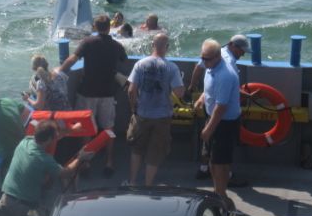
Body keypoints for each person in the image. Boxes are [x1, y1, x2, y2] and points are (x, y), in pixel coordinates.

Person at [0, 120, 94, 216]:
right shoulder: (44, 159)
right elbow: (66, 172)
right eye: (54, 137)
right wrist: (80, 157)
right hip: (22, 207)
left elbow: (50, 137)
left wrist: (64, 133)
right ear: (49, 139)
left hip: (5, 200)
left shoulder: (24, 142)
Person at [61, 14, 128, 177]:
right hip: (107, 93)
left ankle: (85, 162)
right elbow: (124, 60)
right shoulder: (116, 45)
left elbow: (72, 59)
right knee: (108, 128)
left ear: (95, 27)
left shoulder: (87, 42)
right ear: (109, 27)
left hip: (88, 92)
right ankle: (109, 162)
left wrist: (60, 71)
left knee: (86, 129)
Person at [187, 34, 250, 181]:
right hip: (222, 119)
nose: (243, 53)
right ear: (232, 45)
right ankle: (225, 179)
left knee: (208, 144)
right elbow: (221, 106)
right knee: (221, 154)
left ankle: (204, 169)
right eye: (241, 50)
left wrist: (193, 87)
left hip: (211, 112)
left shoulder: (212, 56)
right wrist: (209, 128)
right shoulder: (222, 62)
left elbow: (199, 69)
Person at [126, 33, 184, 185]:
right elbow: (179, 92)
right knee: (155, 152)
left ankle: (132, 183)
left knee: (137, 149)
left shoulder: (140, 64)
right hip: (162, 116)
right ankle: (148, 185)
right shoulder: (172, 67)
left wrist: (134, 108)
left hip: (142, 114)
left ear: (152, 45)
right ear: (167, 47)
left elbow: (131, 90)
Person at [194, 39, 241, 202]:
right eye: (202, 57)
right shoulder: (210, 66)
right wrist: (202, 98)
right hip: (213, 118)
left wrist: (208, 129)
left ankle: (221, 196)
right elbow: (210, 89)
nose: (203, 62)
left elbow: (221, 108)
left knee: (218, 163)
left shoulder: (225, 75)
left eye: (206, 59)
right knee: (214, 159)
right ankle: (218, 192)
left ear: (217, 56)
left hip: (224, 124)